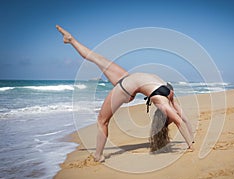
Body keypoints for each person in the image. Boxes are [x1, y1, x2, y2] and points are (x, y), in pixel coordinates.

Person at [56, 25, 194, 162]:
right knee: (97, 58)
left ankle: (98, 155)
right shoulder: (168, 95)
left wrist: (190, 147)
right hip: (127, 80)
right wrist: (191, 142)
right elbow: (182, 117)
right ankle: (71, 40)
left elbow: (178, 120)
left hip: (126, 88)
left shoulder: (163, 98)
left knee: (102, 121)